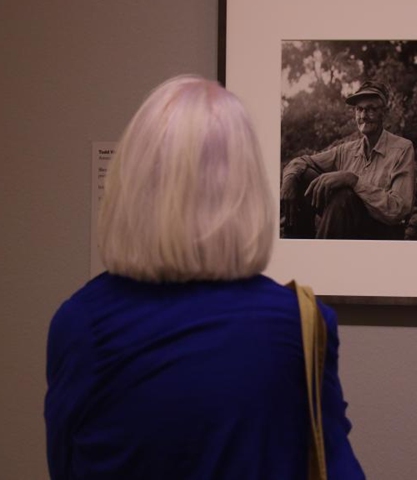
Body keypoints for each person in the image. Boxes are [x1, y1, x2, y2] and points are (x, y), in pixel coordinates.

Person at [44, 75, 365, 480]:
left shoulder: (80, 324)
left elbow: (66, 468)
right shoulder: (299, 322)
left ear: (131, 184)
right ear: (246, 189)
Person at [281, 81, 416, 240]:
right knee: (302, 177)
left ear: (383, 114)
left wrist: (353, 181)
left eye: (371, 109)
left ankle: (321, 256)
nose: (364, 115)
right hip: (347, 225)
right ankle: (298, 246)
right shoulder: (347, 150)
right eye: (359, 109)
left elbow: (397, 210)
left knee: (344, 196)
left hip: (382, 232)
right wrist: (289, 179)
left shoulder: (402, 148)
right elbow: (302, 161)